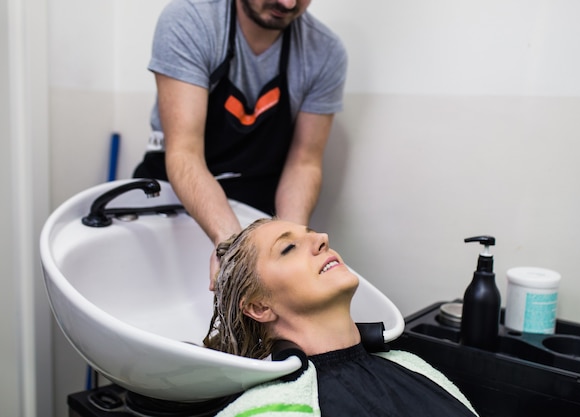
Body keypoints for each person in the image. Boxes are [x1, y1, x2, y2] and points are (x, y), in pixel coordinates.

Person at [133, 0, 347, 285]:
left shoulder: (324, 52)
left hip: (256, 198)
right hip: (173, 195)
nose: (288, 3)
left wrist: (290, 245)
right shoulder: (191, 20)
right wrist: (233, 247)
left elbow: (303, 163)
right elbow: (185, 152)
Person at [204, 218, 479, 417]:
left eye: (312, 234)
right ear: (258, 306)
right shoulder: (271, 409)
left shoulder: (412, 366)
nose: (322, 237)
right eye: (288, 248)